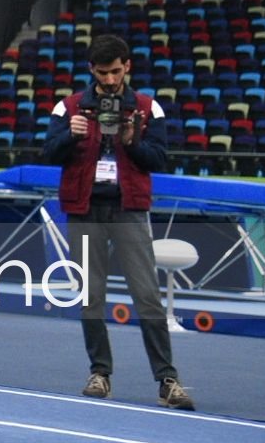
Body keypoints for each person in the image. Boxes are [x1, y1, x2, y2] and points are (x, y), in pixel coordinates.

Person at [41, 33, 195, 410]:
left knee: (147, 297)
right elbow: (48, 153)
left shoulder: (146, 108)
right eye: (102, 72)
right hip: (85, 208)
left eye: (115, 71)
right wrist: (69, 137)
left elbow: (158, 159)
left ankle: (168, 380)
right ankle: (100, 374)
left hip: (128, 210)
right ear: (91, 70)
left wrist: (131, 142)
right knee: (91, 298)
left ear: (127, 66)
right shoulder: (69, 108)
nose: (109, 80)